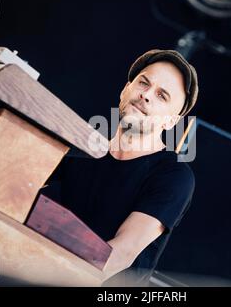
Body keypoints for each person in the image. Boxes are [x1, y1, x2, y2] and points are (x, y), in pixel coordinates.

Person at [46, 49, 199, 286]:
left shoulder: (173, 176)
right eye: (143, 83)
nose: (146, 95)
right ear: (125, 90)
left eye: (162, 96)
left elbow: (120, 255)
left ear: (172, 121)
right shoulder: (81, 150)